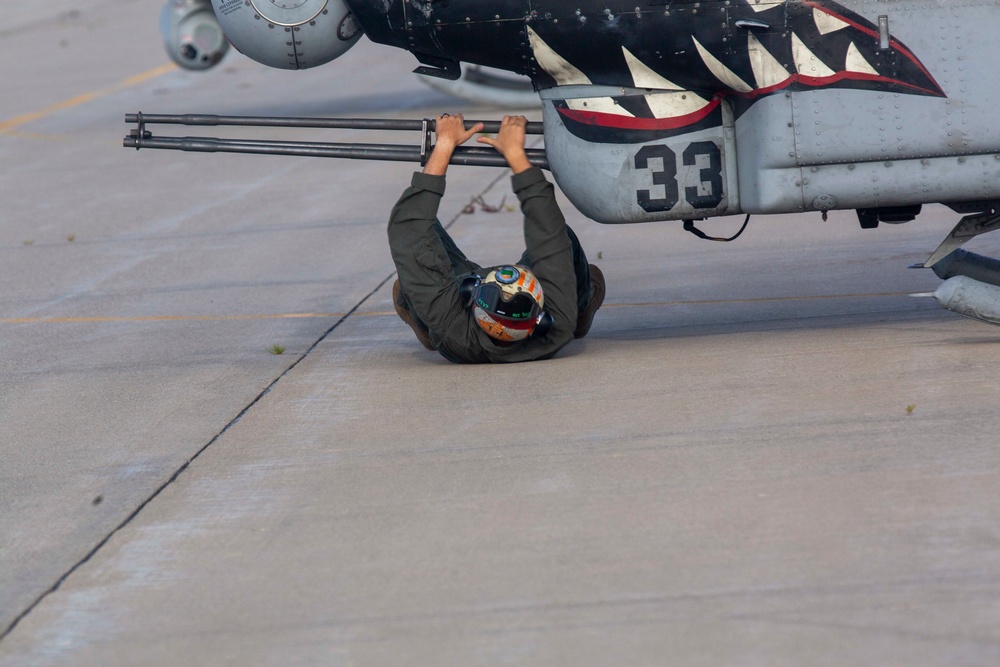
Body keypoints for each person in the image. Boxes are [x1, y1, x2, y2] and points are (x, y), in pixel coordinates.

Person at [387, 113, 605, 363]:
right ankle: (582, 309)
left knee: (411, 278)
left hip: (449, 322)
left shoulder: (452, 322)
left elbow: (409, 226)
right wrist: (515, 154)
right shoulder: (559, 319)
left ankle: (426, 327)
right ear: (541, 314)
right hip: (549, 311)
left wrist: (445, 144)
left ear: (472, 293)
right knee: (564, 241)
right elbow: (550, 234)